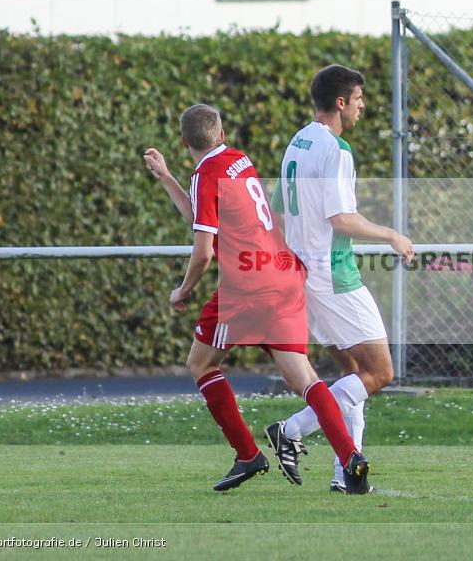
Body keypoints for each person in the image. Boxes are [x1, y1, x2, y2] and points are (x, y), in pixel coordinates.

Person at [142, 103, 370, 493]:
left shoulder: (205, 175)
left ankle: (248, 454)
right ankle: (350, 457)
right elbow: (202, 214)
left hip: (246, 289)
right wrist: (166, 178)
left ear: (183, 141)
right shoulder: (238, 160)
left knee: (200, 364)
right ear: (223, 134)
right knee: (304, 378)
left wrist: (183, 290)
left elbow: (203, 252)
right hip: (283, 275)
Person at [267, 65, 415, 492]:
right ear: (340, 102)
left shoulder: (298, 141)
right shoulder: (336, 148)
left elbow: (277, 211)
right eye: (359, 98)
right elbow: (341, 218)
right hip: (333, 274)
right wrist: (391, 234)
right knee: (381, 372)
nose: (362, 106)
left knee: (352, 372)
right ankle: (291, 430)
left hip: (303, 274)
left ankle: (345, 474)